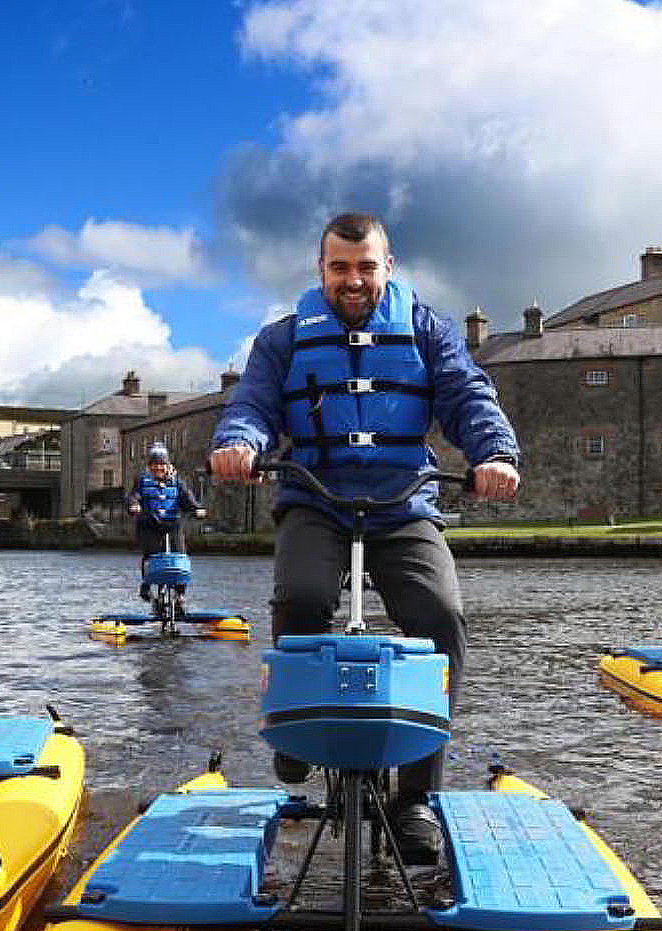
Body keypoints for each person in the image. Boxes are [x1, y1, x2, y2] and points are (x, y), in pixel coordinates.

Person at [209, 212, 521, 864]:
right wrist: (238, 441)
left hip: (401, 504)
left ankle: (413, 798)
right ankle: (294, 733)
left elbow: (467, 395)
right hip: (314, 499)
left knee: (440, 616)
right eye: (339, 268)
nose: (352, 280)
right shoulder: (284, 338)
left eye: (365, 267)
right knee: (299, 596)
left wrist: (493, 452)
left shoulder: (427, 329)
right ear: (321, 270)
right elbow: (253, 403)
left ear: (387, 267)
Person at [126, 444, 206, 604]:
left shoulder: (177, 482)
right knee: (151, 554)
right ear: (149, 466)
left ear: (167, 464)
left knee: (180, 555)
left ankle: (180, 594)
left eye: (161, 464)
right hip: (150, 524)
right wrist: (133, 505)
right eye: (154, 464)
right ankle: (146, 587)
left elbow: (186, 498)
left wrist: (197, 509)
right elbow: (133, 496)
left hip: (173, 524)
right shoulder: (142, 480)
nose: (158, 467)